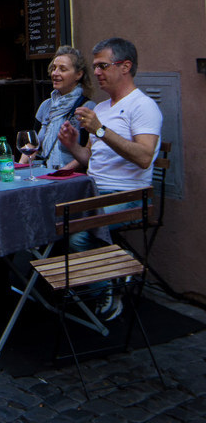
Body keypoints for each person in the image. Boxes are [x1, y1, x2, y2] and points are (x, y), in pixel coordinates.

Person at [58, 37, 163, 320]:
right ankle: (111, 272)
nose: (97, 73)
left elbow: (144, 157)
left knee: (80, 237)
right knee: (48, 219)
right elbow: (91, 160)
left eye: (103, 66)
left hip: (129, 196)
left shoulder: (143, 106)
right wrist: (73, 147)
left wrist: (101, 130)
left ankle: (107, 289)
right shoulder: (102, 109)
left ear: (125, 66)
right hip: (95, 191)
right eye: (95, 67)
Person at [19, 46, 96, 169]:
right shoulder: (45, 106)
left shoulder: (87, 107)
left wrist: (61, 174)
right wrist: (19, 167)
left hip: (70, 178)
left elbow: (89, 152)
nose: (55, 73)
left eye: (63, 69)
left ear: (78, 74)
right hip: (45, 173)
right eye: (54, 68)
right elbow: (33, 144)